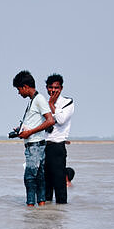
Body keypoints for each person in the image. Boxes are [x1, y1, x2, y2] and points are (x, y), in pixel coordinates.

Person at [11, 71, 55, 206]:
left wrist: (29, 132)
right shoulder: (33, 101)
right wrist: (21, 130)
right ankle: (40, 208)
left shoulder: (39, 99)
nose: (19, 93)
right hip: (36, 145)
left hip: (35, 146)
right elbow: (37, 121)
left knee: (29, 178)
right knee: (40, 178)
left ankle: (30, 207)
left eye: (19, 89)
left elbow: (50, 121)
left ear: (25, 86)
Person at [43, 73, 74, 204]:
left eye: (56, 88)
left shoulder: (67, 102)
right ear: (47, 88)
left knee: (60, 185)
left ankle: (60, 216)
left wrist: (51, 104)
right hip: (44, 146)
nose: (53, 90)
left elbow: (61, 120)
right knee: (45, 185)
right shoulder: (41, 103)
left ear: (61, 88)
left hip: (57, 147)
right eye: (50, 87)